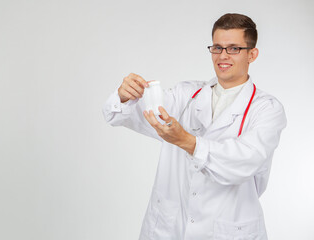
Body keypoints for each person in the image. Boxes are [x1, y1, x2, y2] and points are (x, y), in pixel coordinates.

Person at [102, 13, 286, 240]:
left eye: (233, 49)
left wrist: (187, 141)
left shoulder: (267, 109)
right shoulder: (186, 95)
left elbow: (244, 162)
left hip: (229, 231)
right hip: (169, 229)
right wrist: (125, 96)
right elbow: (127, 115)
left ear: (252, 54)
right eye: (217, 47)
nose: (223, 56)